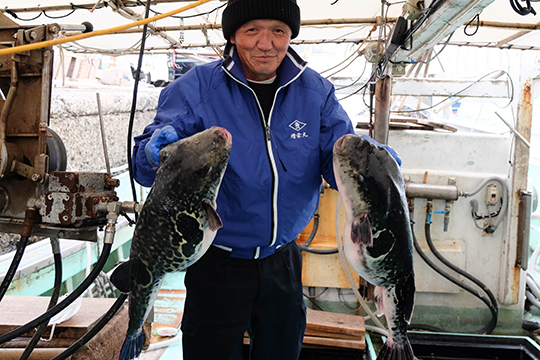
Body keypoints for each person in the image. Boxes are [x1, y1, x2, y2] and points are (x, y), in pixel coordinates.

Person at [132, 0, 400, 359]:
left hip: (283, 261)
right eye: (252, 30)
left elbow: (335, 163)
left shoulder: (316, 92)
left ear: (291, 34)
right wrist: (152, 151)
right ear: (233, 35)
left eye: (278, 31)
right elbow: (146, 165)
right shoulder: (197, 87)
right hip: (217, 261)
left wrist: (372, 169)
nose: (266, 43)